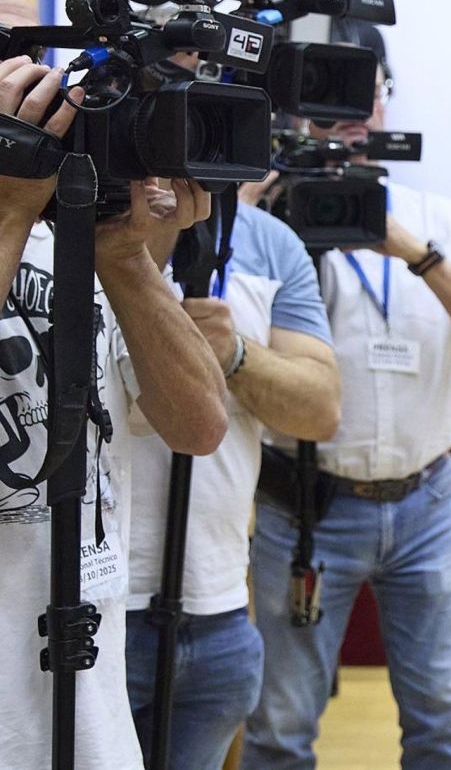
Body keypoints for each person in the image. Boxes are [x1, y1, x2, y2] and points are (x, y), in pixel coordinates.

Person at [243, 57, 451, 769]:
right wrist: (250, 206)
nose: (352, 119)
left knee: (439, 721)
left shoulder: (438, 220)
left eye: (366, 98)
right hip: (306, 505)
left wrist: (410, 250)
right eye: (330, 102)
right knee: (281, 728)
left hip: (426, 503)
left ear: (386, 102)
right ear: (297, 114)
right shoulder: (267, 221)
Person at [1, 0, 228, 768]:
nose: (30, 79)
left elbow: (198, 425)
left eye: (34, 53)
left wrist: (125, 255)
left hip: (87, 707)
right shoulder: (21, 210)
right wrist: (10, 211)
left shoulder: (65, 220)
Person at [122, 191, 341, 768]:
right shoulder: (65, 217)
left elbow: (320, 411)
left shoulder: (267, 241)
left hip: (217, 606)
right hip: (89, 603)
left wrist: (236, 354)